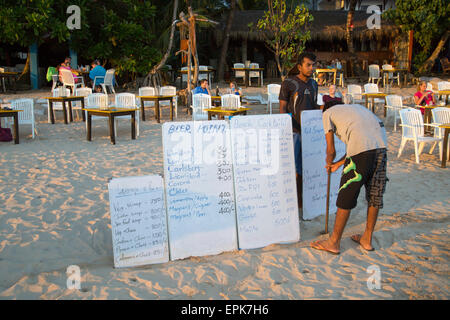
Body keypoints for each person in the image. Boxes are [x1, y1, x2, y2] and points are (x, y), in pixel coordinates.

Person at [310, 100, 388, 254]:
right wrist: (338, 164)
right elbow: (360, 143)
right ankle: (367, 238)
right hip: (381, 146)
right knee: (375, 194)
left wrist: (329, 161)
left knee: (347, 194)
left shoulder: (327, 114)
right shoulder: (357, 108)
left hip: (363, 149)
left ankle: (333, 242)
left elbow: (330, 149)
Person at [279, 52, 319, 212]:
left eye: (314, 65)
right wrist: (285, 130)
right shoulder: (289, 83)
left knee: (306, 168)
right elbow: (282, 108)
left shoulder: (314, 84)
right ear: (299, 66)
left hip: (310, 133)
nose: (312, 68)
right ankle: (292, 202)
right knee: (293, 169)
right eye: (308, 65)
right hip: (293, 132)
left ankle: (302, 201)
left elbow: (314, 106)